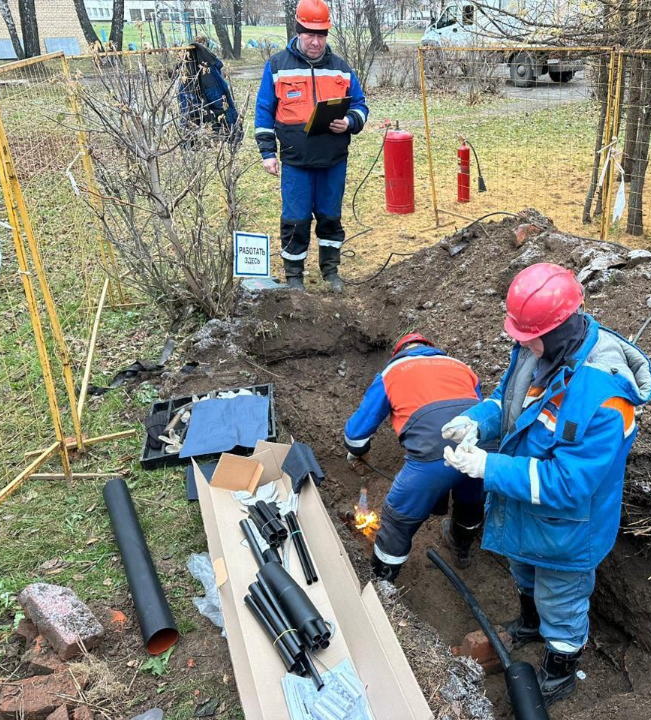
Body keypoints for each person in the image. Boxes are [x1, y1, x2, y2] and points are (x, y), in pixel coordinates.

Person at [441, 263, 651, 705]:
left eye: (527, 336)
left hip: (567, 528)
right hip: (523, 508)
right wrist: (476, 423)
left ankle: (560, 664)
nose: (519, 344)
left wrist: (489, 468)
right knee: (523, 571)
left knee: (561, 600)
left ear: (557, 330)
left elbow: (568, 484)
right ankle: (530, 623)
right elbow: (509, 402)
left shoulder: (606, 399)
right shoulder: (535, 349)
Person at [344, 333, 485, 581]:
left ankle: (382, 581)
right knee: (472, 501)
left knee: (397, 520)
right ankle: (460, 546)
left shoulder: (393, 371)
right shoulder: (461, 367)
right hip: (481, 448)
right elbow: (481, 409)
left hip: (431, 456)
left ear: (398, 351)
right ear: (432, 349)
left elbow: (356, 434)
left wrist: (358, 453)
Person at [254, 0, 369, 293]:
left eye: (321, 35)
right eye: (310, 35)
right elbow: (264, 111)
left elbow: (360, 104)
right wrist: (267, 153)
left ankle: (330, 271)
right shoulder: (278, 66)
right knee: (296, 219)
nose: (316, 42)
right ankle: (295, 277)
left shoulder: (341, 69)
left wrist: (351, 122)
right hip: (296, 162)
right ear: (298, 32)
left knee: (330, 217)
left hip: (333, 160)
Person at [177, 38, 240, 140]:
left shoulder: (200, 72)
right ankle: (226, 133)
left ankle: (223, 133)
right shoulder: (205, 71)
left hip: (209, 103)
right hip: (211, 100)